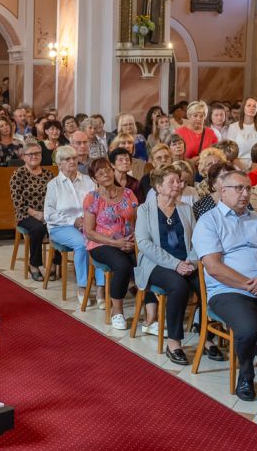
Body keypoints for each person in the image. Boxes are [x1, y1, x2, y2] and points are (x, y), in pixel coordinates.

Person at [192, 168, 257, 401]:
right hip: (228, 291)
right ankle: (246, 375)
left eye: (248, 188)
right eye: (238, 188)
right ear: (223, 192)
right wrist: (250, 285)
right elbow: (213, 267)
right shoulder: (209, 221)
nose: (245, 193)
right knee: (247, 329)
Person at [134, 165, 196, 364]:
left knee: (208, 282)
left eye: (179, 181)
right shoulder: (145, 209)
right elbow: (143, 243)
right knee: (178, 286)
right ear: (158, 187)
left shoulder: (186, 209)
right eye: (172, 182)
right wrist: (176, 264)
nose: (178, 185)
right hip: (155, 264)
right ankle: (174, 343)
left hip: (186, 262)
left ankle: (208, 338)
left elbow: (197, 240)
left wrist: (191, 261)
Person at [82, 158, 138, 329]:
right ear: (94, 179)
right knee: (123, 266)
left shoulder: (128, 193)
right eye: (99, 173)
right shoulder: (92, 198)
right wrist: (116, 243)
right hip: (102, 244)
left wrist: (135, 237)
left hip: (129, 242)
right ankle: (117, 311)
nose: (105, 174)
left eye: (107, 170)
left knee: (146, 263)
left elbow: (139, 220)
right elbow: (89, 232)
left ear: (113, 171)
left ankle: (152, 314)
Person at [44, 145, 97, 290]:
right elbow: (49, 214)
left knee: (100, 241)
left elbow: (96, 204)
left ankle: (101, 287)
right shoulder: (53, 185)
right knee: (82, 243)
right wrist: (72, 221)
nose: (72, 161)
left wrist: (87, 220)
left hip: (87, 223)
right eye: (67, 159)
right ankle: (83, 286)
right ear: (59, 164)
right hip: (61, 227)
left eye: (74, 158)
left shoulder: (88, 181)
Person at [10, 143, 52, 282]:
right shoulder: (18, 175)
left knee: (59, 226)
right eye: (30, 154)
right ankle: (34, 264)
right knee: (38, 228)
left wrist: (48, 214)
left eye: (37, 153)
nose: (34, 156)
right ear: (23, 157)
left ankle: (54, 262)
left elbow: (55, 197)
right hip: (26, 214)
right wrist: (36, 214)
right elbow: (17, 201)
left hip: (48, 213)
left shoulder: (48, 174)